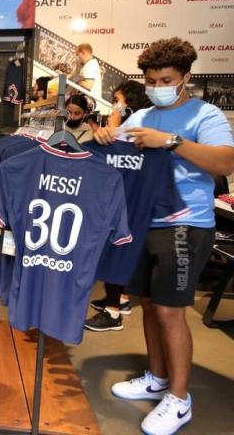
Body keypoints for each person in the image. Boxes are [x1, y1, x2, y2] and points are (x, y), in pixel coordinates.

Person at [94, 37, 234, 435]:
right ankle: (156, 377)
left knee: (171, 310)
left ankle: (179, 398)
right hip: (144, 221)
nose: (158, 86)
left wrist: (172, 142)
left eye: (166, 80)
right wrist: (107, 136)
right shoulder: (142, 115)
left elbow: (225, 162)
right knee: (149, 304)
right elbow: (119, 150)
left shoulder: (206, 115)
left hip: (186, 223)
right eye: (151, 80)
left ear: (186, 76)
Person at [85, 81, 153, 333]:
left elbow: (117, 141)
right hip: (129, 195)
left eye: (117, 100)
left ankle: (113, 312)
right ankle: (119, 299)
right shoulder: (136, 121)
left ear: (129, 101)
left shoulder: (137, 123)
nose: (115, 105)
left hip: (126, 196)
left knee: (117, 247)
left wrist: (111, 125)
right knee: (121, 247)